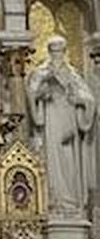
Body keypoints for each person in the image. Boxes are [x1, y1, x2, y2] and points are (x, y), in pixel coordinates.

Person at [27, 35, 94, 214]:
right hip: (50, 120)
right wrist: (42, 93)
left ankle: (70, 200)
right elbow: (31, 95)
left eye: (60, 51)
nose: (57, 54)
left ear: (64, 51)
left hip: (69, 120)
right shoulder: (40, 73)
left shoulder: (72, 74)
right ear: (48, 52)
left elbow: (89, 99)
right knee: (51, 159)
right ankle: (53, 200)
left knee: (69, 159)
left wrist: (79, 99)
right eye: (53, 50)